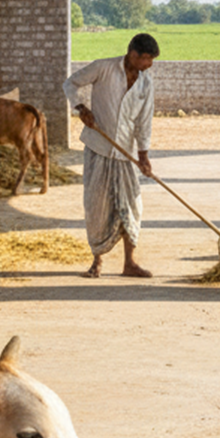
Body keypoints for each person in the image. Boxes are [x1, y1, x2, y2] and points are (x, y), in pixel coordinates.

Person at [63, 32, 159, 278]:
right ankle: (97, 262)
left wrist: (143, 155)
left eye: (151, 60)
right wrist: (81, 107)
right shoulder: (103, 68)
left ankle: (130, 263)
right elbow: (70, 83)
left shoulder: (146, 83)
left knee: (132, 206)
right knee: (97, 205)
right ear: (133, 54)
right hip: (98, 147)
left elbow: (144, 120)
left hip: (125, 153)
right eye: (146, 58)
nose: (148, 64)